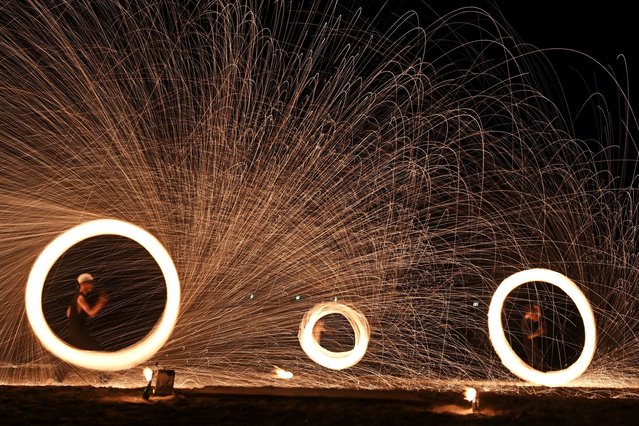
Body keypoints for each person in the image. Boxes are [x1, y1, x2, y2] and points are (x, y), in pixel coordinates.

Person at [66, 273, 108, 351]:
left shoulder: (76, 296)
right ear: (83, 284)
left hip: (75, 333)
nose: (92, 285)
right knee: (97, 351)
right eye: (90, 283)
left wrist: (75, 319)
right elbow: (91, 313)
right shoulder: (80, 298)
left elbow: (68, 313)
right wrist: (101, 303)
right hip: (78, 334)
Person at [521, 303, 546, 371]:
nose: (536, 317)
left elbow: (537, 307)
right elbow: (529, 336)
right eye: (535, 315)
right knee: (534, 362)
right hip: (529, 345)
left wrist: (539, 313)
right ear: (530, 313)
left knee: (539, 359)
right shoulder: (525, 323)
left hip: (532, 344)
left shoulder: (529, 321)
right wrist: (540, 332)